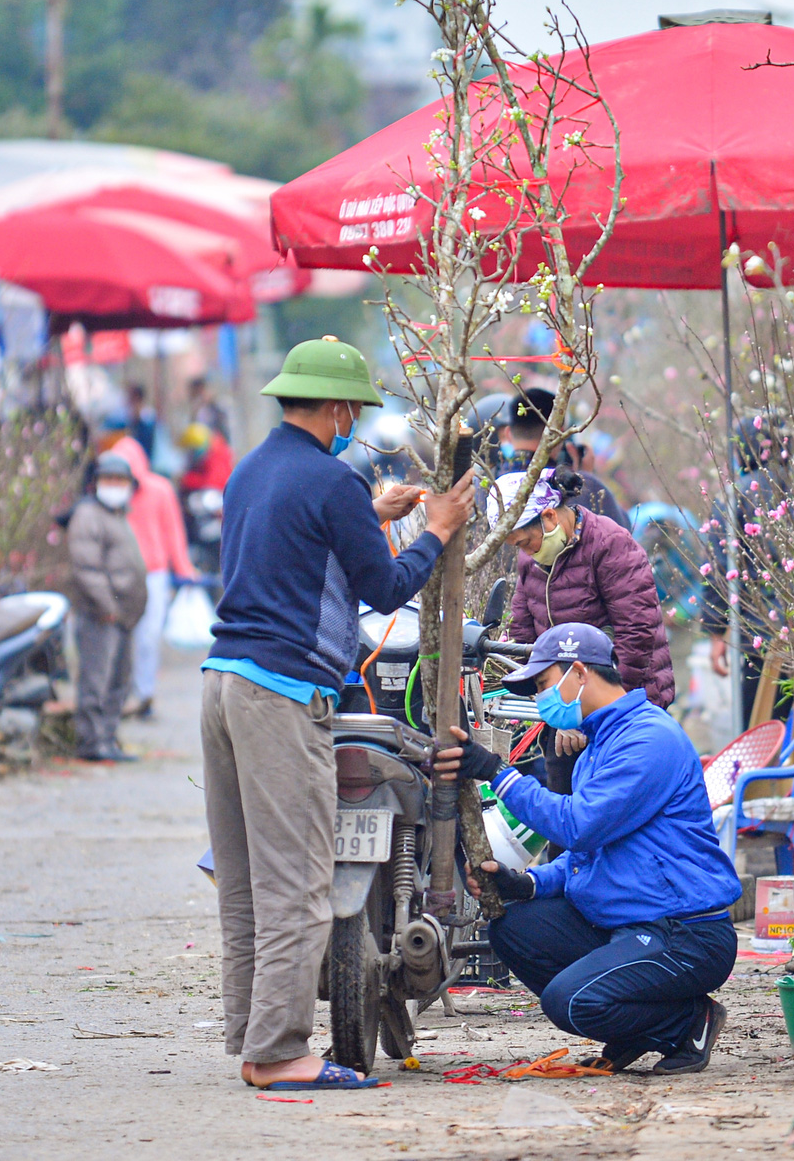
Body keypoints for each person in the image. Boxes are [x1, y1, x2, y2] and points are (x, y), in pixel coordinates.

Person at [201, 336, 475, 1092]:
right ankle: (279, 1051)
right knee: (298, 880)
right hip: (281, 693)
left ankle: (252, 1035)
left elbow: (298, 547)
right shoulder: (333, 481)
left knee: (245, 882)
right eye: (352, 409)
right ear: (336, 408)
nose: (353, 421)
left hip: (221, 683)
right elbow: (384, 587)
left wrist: (369, 511)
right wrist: (438, 530)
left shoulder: (251, 471)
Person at [435, 623, 740, 1074]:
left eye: (543, 684)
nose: (541, 699)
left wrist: (498, 773)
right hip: (628, 922)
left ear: (578, 672)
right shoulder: (600, 745)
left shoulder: (648, 739)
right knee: (513, 928)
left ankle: (687, 1021)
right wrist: (529, 884)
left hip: (684, 933)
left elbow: (578, 826)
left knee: (570, 1002)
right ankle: (636, 1029)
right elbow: (588, 858)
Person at [499, 468, 676, 709]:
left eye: (526, 542)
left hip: (625, 696)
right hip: (567, 697)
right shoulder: (532, 559)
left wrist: (600, 706)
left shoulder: (609, 544)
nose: (526, 552)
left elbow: (636, 633)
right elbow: (523, 627)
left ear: (549, 516)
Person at [701, 414, 794, 734]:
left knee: (760, 729)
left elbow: (719, 570)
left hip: (762, 635)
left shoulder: (734, 498)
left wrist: (716, 634)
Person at [99, 420, 196, 719]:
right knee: (122, 637)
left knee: (148, 638)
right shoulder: (112, 495)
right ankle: (121, 694)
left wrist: (183, 568)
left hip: (154, 573)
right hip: (119, 575)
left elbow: (173, 531)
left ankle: (144, 694)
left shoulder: (159, 490)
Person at [66, 454, 150, 762]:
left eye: (120, 480)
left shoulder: (117, 515)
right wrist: (108, 606)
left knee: (118, 681)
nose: (115, 486)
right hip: (100, 615)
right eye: (109, 479)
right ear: (96, 483)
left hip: (123, 615)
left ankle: (107, 739)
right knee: (96, 681)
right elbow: (86, 568)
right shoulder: (88, 515)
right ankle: (91, 742)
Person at [501, 388, 628, 528]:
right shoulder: (570, 489)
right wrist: (585, 481)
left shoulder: (490, 487)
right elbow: (622, 530)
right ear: (560, 433)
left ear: (508, 433)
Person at [178, 422, 235, 495]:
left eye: (192, 450)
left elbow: (213, 484)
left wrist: (188, 479)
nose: (190, 454)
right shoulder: (208, 455)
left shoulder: (218, 454)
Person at [188, 374, 232, 444]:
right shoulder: (194, 411)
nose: (201, 396)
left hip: (217, 444)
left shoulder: (217, 407)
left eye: (202, 391)